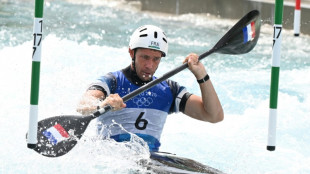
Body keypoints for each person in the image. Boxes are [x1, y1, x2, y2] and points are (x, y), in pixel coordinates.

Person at [77, 25, 224, 152]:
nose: (150, 65)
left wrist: (202, 75)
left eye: (156, 59)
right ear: (131, 53)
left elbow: (214, 116)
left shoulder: (169, 90)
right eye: (145, 57)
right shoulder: (112, 81)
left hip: (151, 160)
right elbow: (83, 105)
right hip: (113, 156)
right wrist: (103, 104)